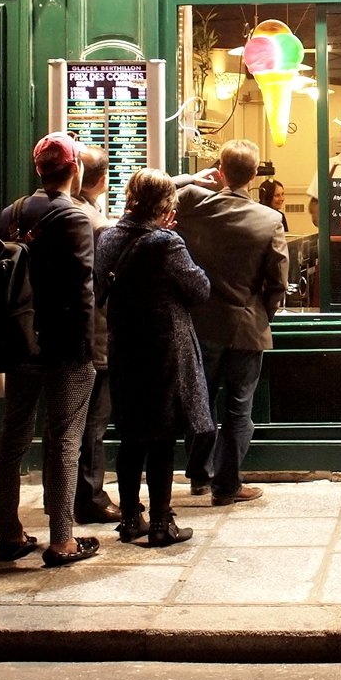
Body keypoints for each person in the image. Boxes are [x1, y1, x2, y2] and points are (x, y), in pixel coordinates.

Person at [0, 131, 100, 568]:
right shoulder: (74, 217)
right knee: (65, 439)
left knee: (13, 436)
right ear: (74, 169)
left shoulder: (11, 213)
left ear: (39, 169)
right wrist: (88, 347)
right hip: (63, 343)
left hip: (19, 342)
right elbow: (82, 288)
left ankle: (9, 535)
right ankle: (62, 541)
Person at [95, 169, 213, 547]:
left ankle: (131, 518)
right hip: (163, 347)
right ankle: (162, 522)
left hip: (124, 345)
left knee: (130, 435)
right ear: (165, 206)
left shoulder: (108, 236)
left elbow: (97, 288)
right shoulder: (167, 242)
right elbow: (199, 289)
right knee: (162, 437)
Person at [172, 139, 288, 507]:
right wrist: (260, 315)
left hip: (200, 322)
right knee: (239, 408)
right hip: (246, 326)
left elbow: (149, 187)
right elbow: (278, 283)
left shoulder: (191, 202)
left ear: (219, 170)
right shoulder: (269, 220)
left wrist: (190, 178)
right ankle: (227, 485)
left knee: (199, 401)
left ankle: (199, 476)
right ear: (254, 176)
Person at [71, 145, 121, 526]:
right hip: (96, 331)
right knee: (93, 421)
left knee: (68, 419)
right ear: (102, 181)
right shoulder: (97, 224)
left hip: (57, 330)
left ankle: (66, 493)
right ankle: (90, 496)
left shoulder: (49, 210)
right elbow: (109, 284)